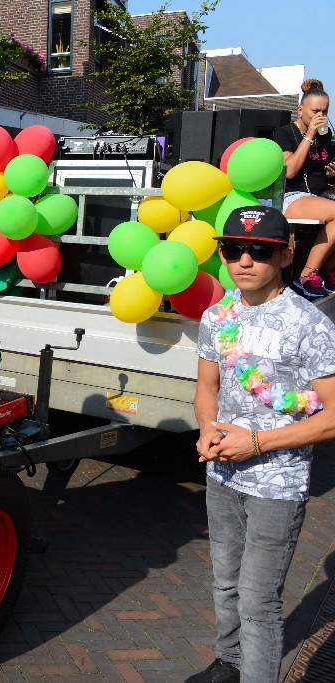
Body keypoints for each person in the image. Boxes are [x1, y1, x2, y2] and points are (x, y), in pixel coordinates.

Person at [191, 206, 335, 683]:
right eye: (233, 249)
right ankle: (228, 663)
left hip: (279, 481)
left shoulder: (310, 325)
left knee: (257, 600)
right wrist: (207, 428)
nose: (244, 260)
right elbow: (206, 388)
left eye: (260, 250)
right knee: (225, 582)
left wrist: (257, 443)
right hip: (222, 473)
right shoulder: (217, 315)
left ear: (287, 255)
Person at [275, 79, 335, 298]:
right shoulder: (285, 133)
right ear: (300, 110)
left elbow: (323, 172)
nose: (320, 115)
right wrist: (309, 135)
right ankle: (306, 276)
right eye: (315, 110)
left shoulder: (327, 136)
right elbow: (289, 171)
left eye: (325, 111)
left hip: (319, 197)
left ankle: (326, 271)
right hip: (292, 196)